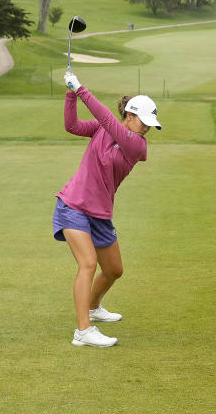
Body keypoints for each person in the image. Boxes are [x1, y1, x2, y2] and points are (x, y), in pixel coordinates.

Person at [53, 71, 161, 348]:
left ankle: (92, 307)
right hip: (73, 204)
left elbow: (108, 121)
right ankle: (83, 331)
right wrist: (70, 94)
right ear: (130, 115)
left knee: (114, 270)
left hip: (100, 213)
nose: (147, 128)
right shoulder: (106, 128)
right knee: (88, 264)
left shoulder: (137, 145)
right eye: (143, 121)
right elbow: (73, 126)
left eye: (151, 124)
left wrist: (81, 88)